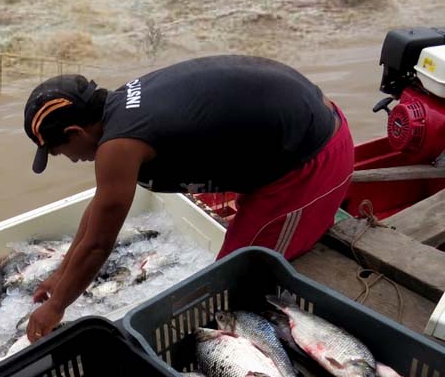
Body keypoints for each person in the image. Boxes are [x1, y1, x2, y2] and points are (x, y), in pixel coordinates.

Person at [20, 55, 353, 342]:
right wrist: (62, 273)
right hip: (294, 128)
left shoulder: (118, 147)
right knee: (228, 279)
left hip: (315, 159)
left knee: (236, 280)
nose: (70, 158)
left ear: (74, 133)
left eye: (59, 152)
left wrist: (56, 307)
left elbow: (97, 245)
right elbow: (100, 209)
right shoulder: (120, 109)